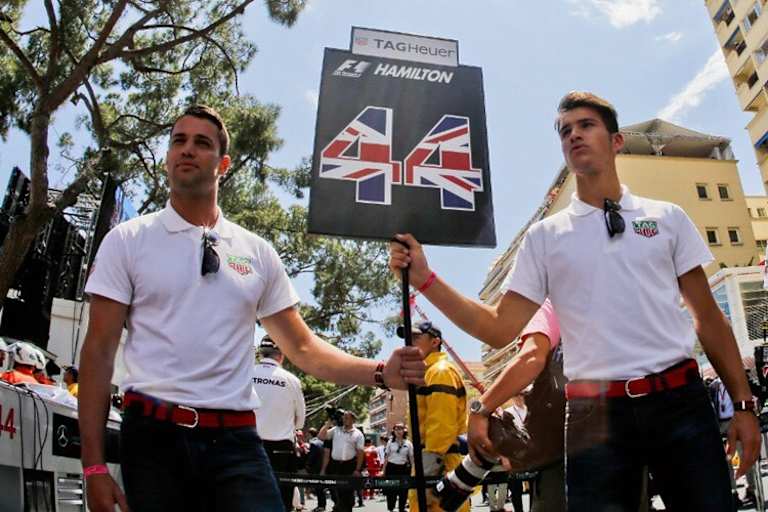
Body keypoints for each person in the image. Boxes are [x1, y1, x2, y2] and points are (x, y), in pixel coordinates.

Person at [389, 91, 760, 512]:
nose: (574, 136)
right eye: (565, 131)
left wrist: (744, 405)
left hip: (679, 402)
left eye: (586, 125)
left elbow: (709, 319)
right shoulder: (545, 237)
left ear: (616, 141)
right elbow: (498, 326)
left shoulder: (668, 217)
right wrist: (425, 278)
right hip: (592, 417)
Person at [78, 104, 426, 512]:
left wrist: (382, 373)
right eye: (179, 141)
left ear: (222, 164)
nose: (186, 150)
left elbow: (303, 348)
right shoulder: (127, 240)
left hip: (237, 444)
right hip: (153, 441)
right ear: (168, 156)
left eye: (201, 143)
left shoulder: (257, 253)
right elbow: (99, 353)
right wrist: (94, 467)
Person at [401, 321, 468, 512]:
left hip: (439, 466)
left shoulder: (440, 372)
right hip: (433, 463)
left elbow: (442, 426)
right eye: (409, 338)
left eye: (416, 337)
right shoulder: (430, 372)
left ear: (435, 341)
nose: (410, 342)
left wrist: (429, 474)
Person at [253, 334, 306, 511]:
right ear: (281, 355)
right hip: (281, 449)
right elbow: (300, 422)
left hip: (249, 444)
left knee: (249, 497)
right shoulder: (292, 380)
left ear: (260, 353)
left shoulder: (246, 374)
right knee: (282, 501)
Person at [319, 411, 365, 512]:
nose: (344, 419)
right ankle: (340, 508)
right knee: (339, 492)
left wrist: (357, 469)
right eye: (344, 417)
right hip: (336, 466)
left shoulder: (358, 434)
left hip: (349, 466)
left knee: (347, 492)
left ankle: (340, 509)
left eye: (347, 418)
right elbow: (321, 436)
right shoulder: (336, 430)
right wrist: (328, 423)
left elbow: (360, 453)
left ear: (353, 420)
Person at [382, 423, 413, 512]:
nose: (399, 431)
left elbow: (411, 458)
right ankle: (391, 508)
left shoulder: (408, 443)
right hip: (391, 469)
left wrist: (413, 470)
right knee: (391, 491)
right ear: (394, 431)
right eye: (397, 429)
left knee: (403, 491)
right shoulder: (390, 442)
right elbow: (386, 457)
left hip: (403, 469)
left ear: (404, 431)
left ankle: (401, 508)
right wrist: (383, 471)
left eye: (401, 429)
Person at [306, 427, 328, 512]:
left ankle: (321, 506)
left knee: (319, 489)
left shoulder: (313, 443)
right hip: (323, 467)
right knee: (321, 488)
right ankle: (322, 505)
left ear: (310, 434)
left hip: (316, 469)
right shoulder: (322, 442)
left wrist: (308, 465)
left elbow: (311, 457)